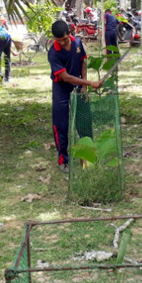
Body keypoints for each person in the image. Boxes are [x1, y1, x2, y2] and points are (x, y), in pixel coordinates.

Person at [48, 21, 102, 173]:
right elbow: (66, 77)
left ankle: (88, 157)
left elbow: (83, 62)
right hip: (61, 88)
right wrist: (91, 83)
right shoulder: (53, 53)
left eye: (65, 39)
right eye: (59, 41)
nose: (63, 43)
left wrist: (84, 86)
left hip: (79, 85)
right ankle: (62, 160)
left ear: (69, 34)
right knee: (60, 124)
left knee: (84, 121)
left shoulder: (77, 43)